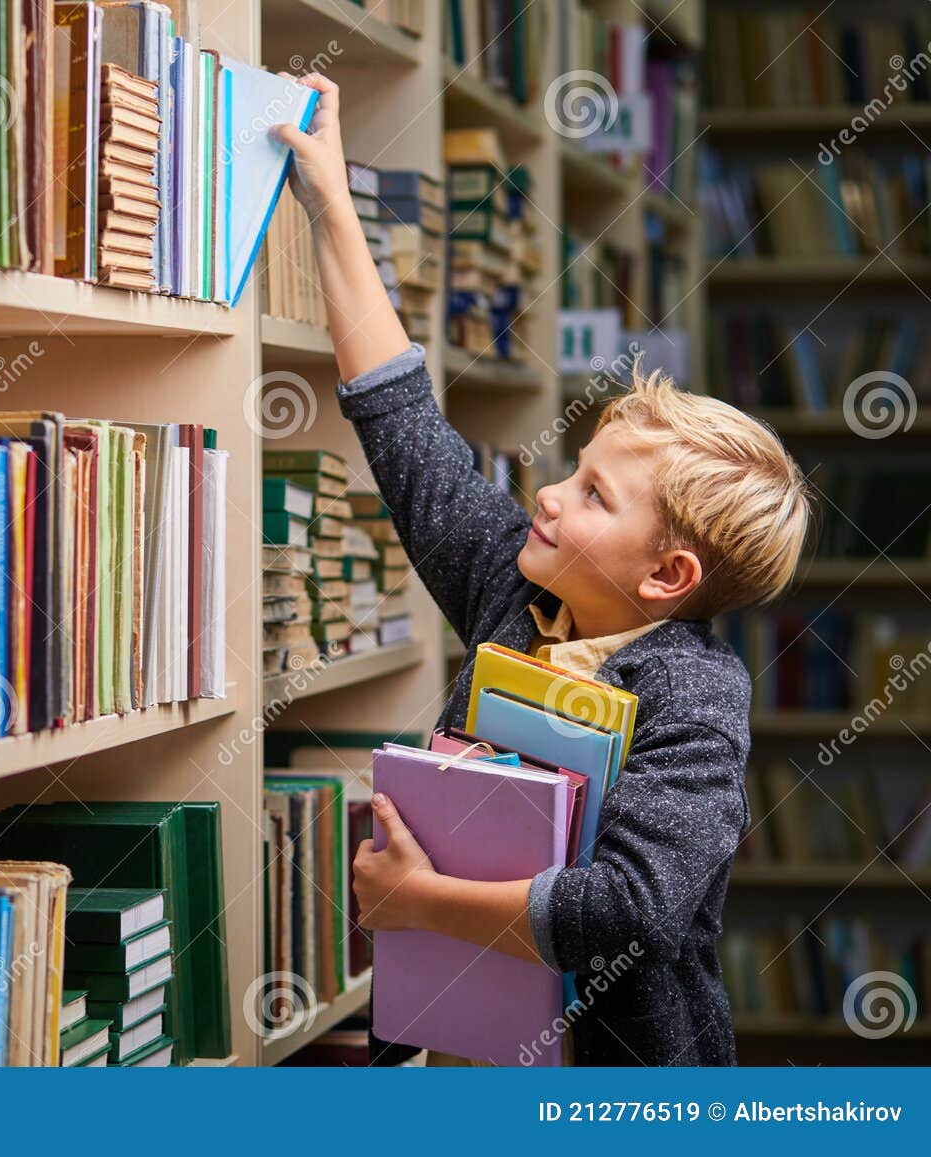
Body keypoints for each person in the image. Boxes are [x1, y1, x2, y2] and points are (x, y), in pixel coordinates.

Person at [272, 74, 814, 1065]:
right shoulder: (515, 587)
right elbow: (402, 425)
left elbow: (628, 911)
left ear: (665, 577)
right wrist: (328, 199)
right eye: (573, 472)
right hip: (471, 1050)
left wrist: (414, 902)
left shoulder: (694, 699)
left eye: (596, 496)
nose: (551, 493)